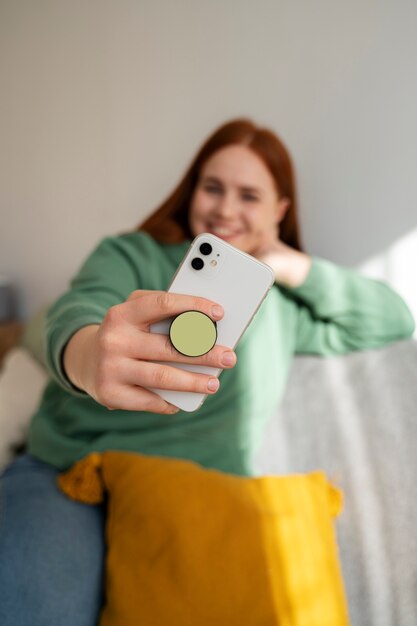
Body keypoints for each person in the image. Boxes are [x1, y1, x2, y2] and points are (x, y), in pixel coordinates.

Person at [0, 119, 414, 626]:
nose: (224, 208)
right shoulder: (132, 255)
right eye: (213, 187)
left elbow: (393, 319)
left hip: (191, 498)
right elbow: (80, 308)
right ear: (191, 190)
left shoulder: (280, 305)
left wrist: (287, 265)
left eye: (249, 196)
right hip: (70, 474)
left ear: (279, 211)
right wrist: (87, 356)